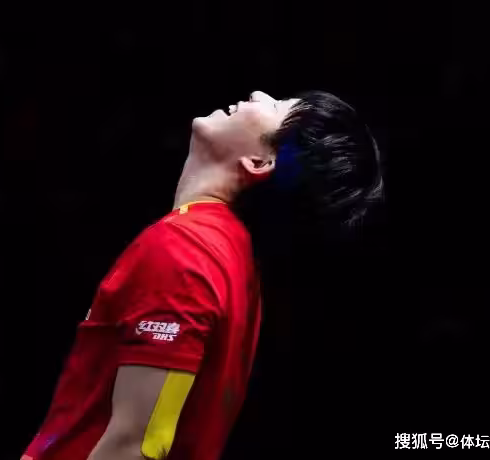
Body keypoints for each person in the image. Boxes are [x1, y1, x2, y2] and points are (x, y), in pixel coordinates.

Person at [21, 90, 383, 460]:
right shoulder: (227, 253)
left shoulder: (189, 251)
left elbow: (138, 446)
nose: (258, 94)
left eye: (275, 106)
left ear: (260, 162)